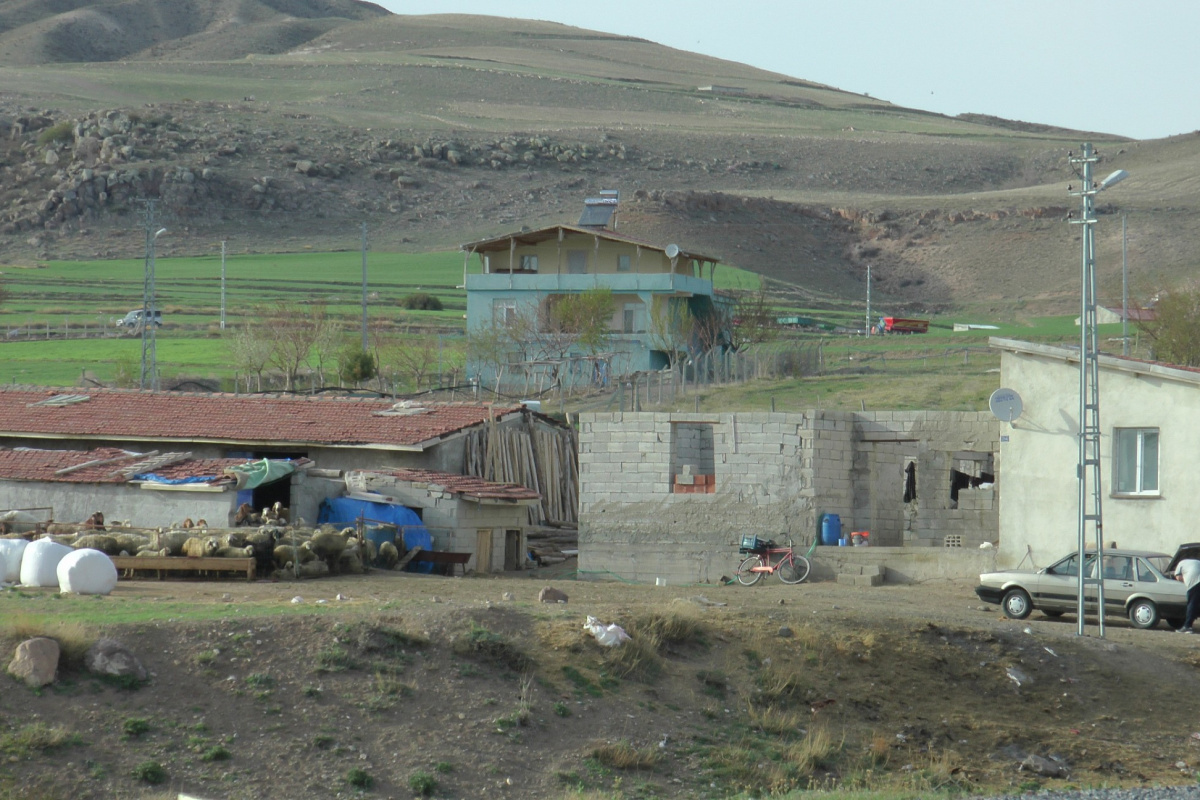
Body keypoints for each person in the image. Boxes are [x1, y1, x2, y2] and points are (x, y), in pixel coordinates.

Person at [1174, 557, 1200, 633]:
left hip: (1195, 583)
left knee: (1192, 604)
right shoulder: (1196, 561)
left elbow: (1178, 577)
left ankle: (1187, 627)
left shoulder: (1180, 564)